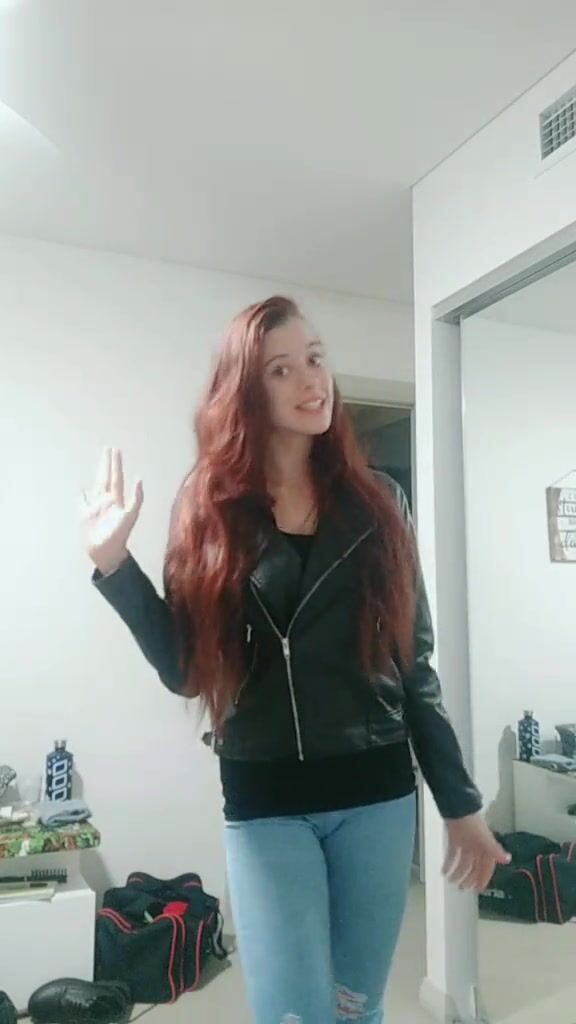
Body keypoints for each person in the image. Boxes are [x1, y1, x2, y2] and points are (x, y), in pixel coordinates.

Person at [82, 296, 509, 1024]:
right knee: (294, 1014)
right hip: (265, 802)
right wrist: (115, 566)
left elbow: (414, 666)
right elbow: (187, 670)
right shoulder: (208, 511)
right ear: (245, 391)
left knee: (356, 1009)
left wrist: (460, 803)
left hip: (376, 794)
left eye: (315, 358)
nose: (311, 380)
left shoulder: (381, 504)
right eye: (281, 369)